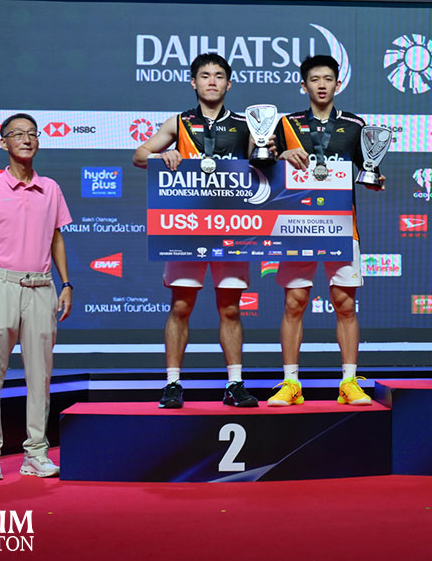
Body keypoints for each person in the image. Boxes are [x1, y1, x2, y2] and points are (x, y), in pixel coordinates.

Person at [132, 52, 260, 410]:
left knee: (230, 308)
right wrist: (161, 156)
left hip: (232, 228)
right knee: (181, 305)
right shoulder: (178, 122)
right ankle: (173, 384)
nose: (212, 81)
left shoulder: (245, 125)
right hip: (187, 227)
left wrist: (278, 155)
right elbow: (139, 155)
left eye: (219, 76)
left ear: (229, 84)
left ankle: (234, 384)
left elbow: (264, 160)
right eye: (205, 75)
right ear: (193, 82)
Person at [270, 55, 383, 407]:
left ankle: (348, 381)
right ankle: (291, 383)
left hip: (341, 225)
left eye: (328, 79)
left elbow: (368, 170)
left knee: (345, 304)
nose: (322, 85)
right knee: (294, 302)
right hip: (296, 225)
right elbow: (264, 170)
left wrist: (375, 178)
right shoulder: (286, 124)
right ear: (304, 85)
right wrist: (280, 156)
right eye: (315, 79)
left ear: (338, 84)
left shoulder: (355, 125)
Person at [0, 113, 72, 480]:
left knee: (40, 377)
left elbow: (56, 238)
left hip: (42, 288)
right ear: (4, 143)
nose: (26, 139)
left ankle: (36, 454)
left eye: (32, 134)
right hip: (0, 285)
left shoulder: (51, 188)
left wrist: (67, 284)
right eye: (18, 134)